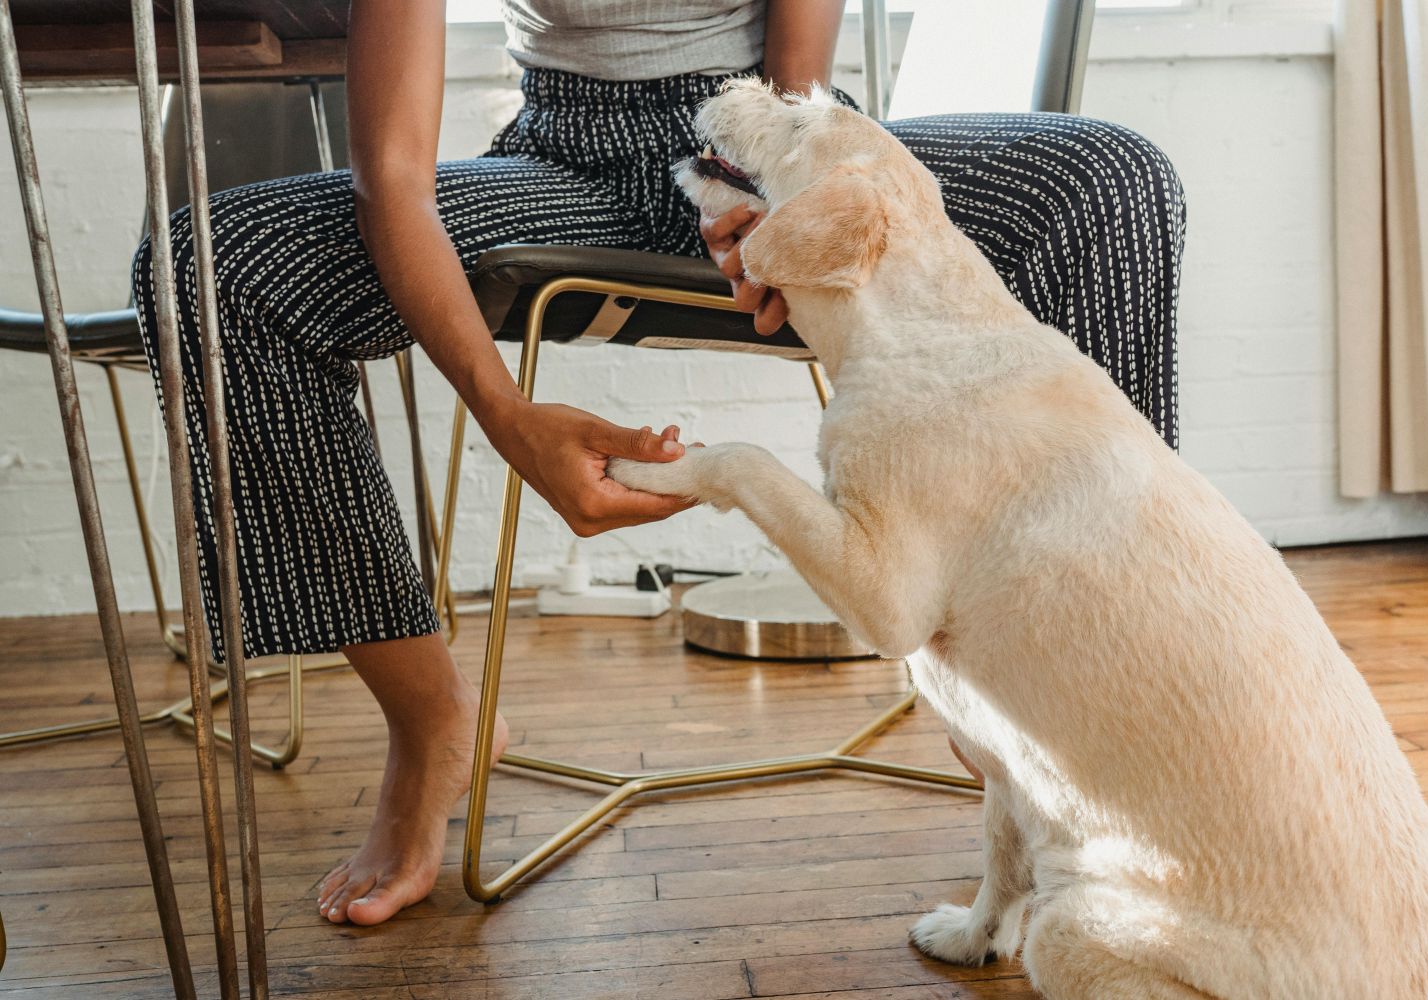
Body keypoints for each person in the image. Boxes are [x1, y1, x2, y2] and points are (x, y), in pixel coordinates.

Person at [133, 0, 1184, 927]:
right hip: (562, 161)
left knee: (1112, 184)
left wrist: (774, 194)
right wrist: (505, 414)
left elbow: (794, 84)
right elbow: (394, 177)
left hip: (763, 133)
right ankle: (431, 721)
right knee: (212, 269)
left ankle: (1069, 709)